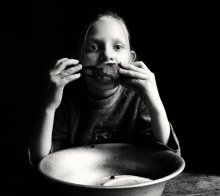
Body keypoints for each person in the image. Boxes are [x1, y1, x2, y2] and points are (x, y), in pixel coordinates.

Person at [29, 10, 180, 165]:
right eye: (93, 47)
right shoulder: (65, 97)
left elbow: (168, 158)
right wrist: (49, 106)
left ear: (131, 59)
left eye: (118, 47)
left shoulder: (139, 95)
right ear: (78, 58)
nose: (107, 55)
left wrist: (155, 104)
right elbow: (41, 162)